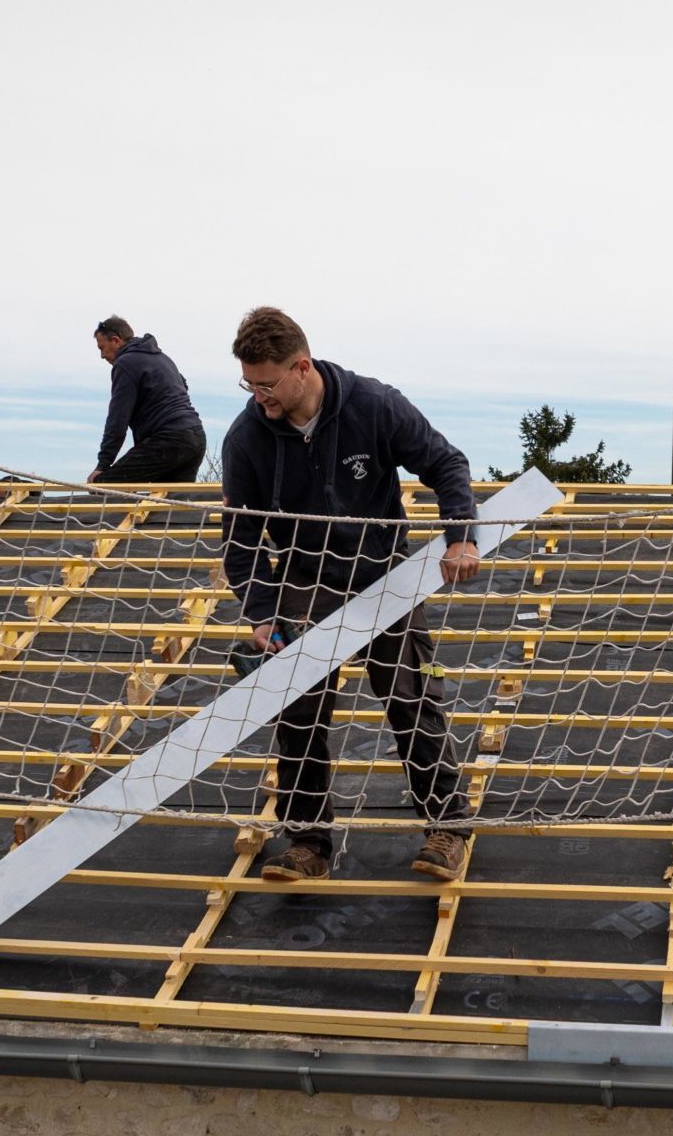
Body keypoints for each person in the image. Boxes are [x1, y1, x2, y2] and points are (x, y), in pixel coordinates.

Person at [218, 306, 479, 885]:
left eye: (267, 383)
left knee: (412, 700)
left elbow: (446, 463)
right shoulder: (247, 437)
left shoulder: (373, 405)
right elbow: (240, 540)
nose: (259, 395)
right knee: (299, 711)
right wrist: (261, 612)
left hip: (385, 574)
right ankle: (307, 844)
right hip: (304, 579)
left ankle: (448, 828)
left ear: (302, 368)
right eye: (249, 384)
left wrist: (461, 536)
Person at [87, 315, 207, 484]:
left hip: (168, 439)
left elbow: (118, 419)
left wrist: (103, 464)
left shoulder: (125, 363)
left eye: (102, 348)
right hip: (196, 438)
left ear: (116, 341)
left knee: (104, 486)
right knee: (171, 499)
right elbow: (182, 386)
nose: (102, 355)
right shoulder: (163, 358)